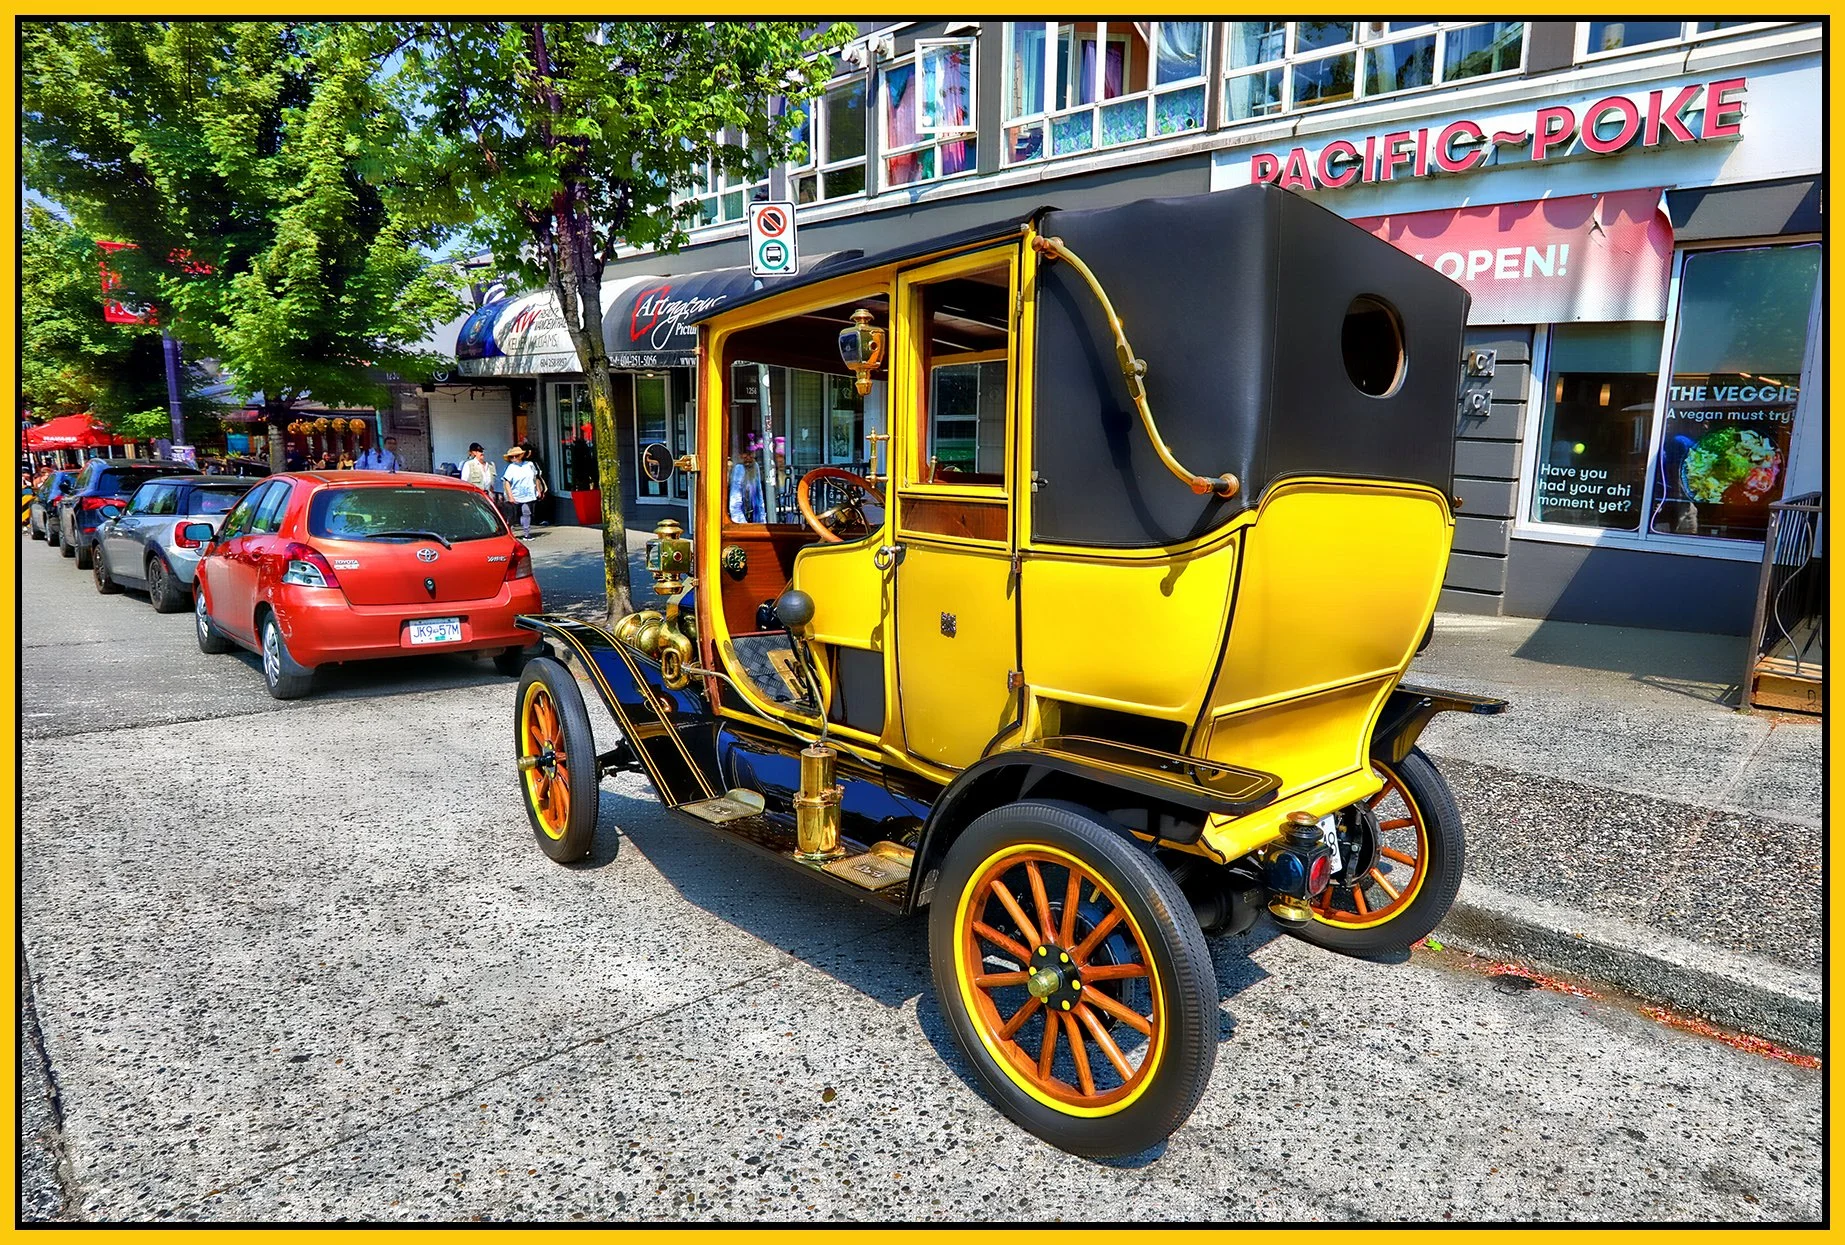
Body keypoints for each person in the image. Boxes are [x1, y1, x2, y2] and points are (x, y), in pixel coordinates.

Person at [501, 445, 543, 539]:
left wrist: (538, 489)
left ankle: (526, 533)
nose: (514, 458)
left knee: (526, 512)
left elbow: (535, 478)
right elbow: (506, 482)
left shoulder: (529, 465)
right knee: (512, 516)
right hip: (515, 494)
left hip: (528, 494)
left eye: (516, 456)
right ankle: (509, 534)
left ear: (521, 455)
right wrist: (510, 496)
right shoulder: (511, 467)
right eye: (512, 457)